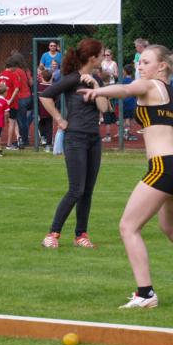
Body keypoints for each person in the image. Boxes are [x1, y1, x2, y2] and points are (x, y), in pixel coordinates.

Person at [79, 45, 173, 308]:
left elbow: (124, 90)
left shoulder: (148, 85)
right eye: (140, 63)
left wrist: (98, 90)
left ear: (162, 66)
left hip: (163, 166)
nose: (140, 66)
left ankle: (145, 294)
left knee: (128, 227)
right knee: (171, 227)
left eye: (145, 62)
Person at [39, 39, 110, 249]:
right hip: (75, 139)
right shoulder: (72, 78)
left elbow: (104, 109)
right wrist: (60, 120)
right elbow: (45, 96)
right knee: (76, 189)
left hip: (94, 139)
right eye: (101, 54)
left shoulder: (96, 79)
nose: (103, 57)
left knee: (87, 190)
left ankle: (81, 235)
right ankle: (52, 234)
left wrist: (96, 85)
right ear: (92, 58)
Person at [37, 70, 54, 149]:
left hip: (40, 110)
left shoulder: (38, 86)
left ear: (42, 77)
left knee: (41, 124)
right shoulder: (52, 87)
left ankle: (43, 138)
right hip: (49, 110)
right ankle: (48, 143)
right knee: (49, 126)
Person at [121, 64, 138, 141]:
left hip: (125, 102)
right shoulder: (134, 81)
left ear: (125, 72)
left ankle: (126, 132)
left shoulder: (123, 81)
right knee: (131, 119)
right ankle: (129, 133)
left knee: (126, 119)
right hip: (132, 103)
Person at [99, 70, 118, 142]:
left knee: (107, 122)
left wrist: (109, 107)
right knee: (115, 120)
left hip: (107, 107)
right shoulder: (111, 86)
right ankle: (121, 132)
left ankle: (108, 136)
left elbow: (106, 98)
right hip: (112, 105)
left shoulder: (102, 87)